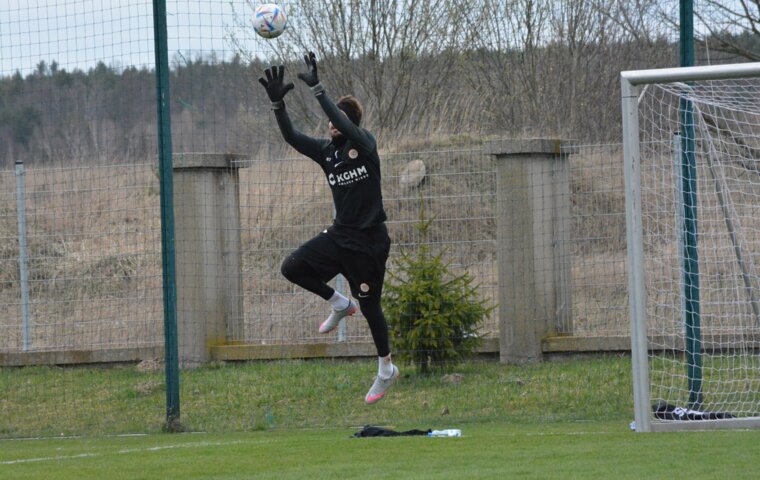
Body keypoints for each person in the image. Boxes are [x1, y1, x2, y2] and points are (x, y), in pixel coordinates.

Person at [258, 52, 399, 404]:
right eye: (331, 122)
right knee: (291, 267)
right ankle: (338, 302)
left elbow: (342, 119)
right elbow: (291, 136)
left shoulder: (364, 145)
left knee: (371, 307)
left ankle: (386, 369)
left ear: (350, 124)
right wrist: (278, 103)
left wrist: (319, 90)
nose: (332, 126)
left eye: (339, 121)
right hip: (340, 235)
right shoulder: (326, 153)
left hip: (370, 242)